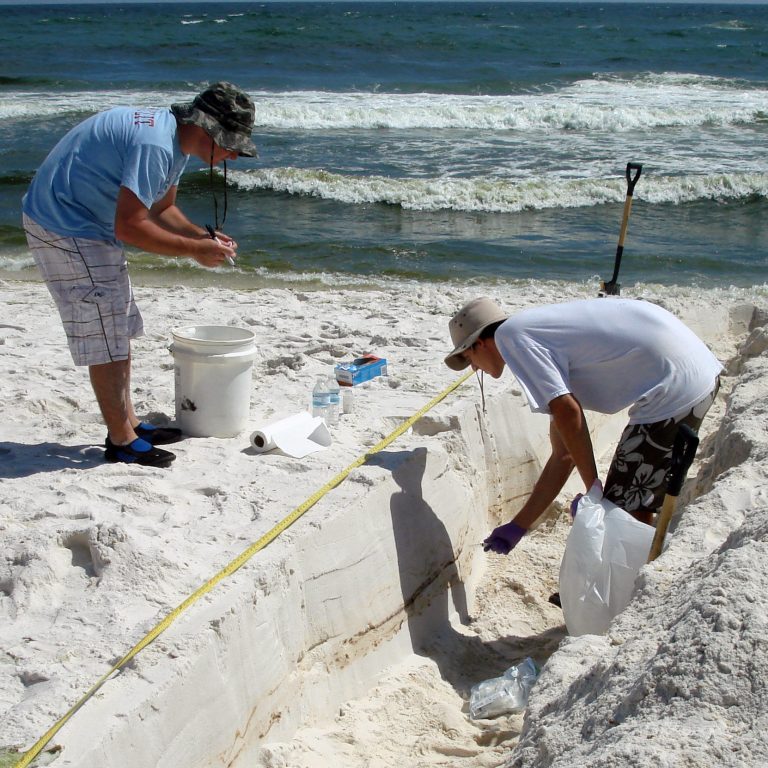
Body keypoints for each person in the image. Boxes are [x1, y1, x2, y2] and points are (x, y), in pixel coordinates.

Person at [22, 82, 257, 468]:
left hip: (85, 222)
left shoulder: (174, 140)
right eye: (229, 144)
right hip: (64, 223)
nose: (232, 153)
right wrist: (196, 252)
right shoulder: (156, 146)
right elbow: (130, 228)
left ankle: (129, 423)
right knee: (105, 332)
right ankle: (121, 439)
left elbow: (162, 209)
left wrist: (201, 234)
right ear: (205, 130)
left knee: (118, 324)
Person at [444, 296, 722, 554]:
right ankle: (636, 579)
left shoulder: (511, 337)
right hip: (698, 371)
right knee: (629, 502)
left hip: (676, 386)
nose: (474, 369)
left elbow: (567, 410)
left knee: (621, 507)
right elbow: (564, 454)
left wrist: (594, 492)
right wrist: (520, 524)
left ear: (479, 343)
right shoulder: (538, 337)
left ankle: (633, 586)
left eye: (469, 359)